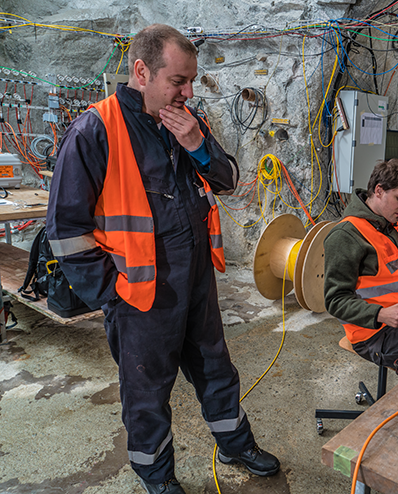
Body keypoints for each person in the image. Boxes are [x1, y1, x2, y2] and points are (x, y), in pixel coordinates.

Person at [46, 24, 279, 494]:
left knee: (216, 368)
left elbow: (229, 179)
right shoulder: (95, 130)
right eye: (178, 81)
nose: (187, 91)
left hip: (194, 280)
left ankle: (236, 444)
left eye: (190, 81)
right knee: (148, 392)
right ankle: (157, 475)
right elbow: (66, 231)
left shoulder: (184, 121)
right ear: (141, 72)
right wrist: (112, 294)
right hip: (139, 294)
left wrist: (196, 144)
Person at [323, 159, 398, 368]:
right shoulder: (346, 235)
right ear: (379, 191)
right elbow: (335, 300)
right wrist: (380, 314)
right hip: (372, 333)